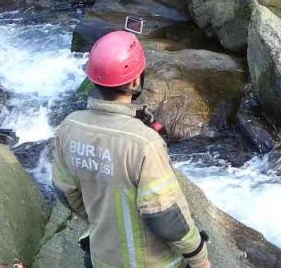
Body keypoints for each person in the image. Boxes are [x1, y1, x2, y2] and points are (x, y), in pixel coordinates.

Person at [51, 31, 210, 268]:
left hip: (101, 259)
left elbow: (65, 192)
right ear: (135, 82)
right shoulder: (144, 143)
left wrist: (101, 220)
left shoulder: (68, 127)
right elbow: (164, 215)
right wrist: (199, 258)